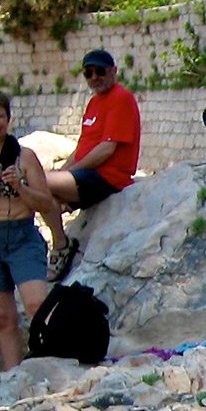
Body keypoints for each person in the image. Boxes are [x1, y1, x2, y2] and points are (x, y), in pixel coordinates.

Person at [0, 87, 65, 372]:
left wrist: (20, 186)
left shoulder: (24, 156)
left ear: (8, 119)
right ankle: (13, 374)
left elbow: (45, 202)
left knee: (36, 305)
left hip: (22, 234)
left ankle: (52, 364)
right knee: (2, 316)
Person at [43, 47, 140, 279]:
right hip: (89, 175)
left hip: (108, 177)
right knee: (38, 188)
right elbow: (82, 148)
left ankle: (60, 244)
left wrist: (69, 174)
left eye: (100, 71)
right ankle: (57, 241)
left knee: (37, 181)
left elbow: (107, 149)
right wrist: (62, 172)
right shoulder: (94, 103)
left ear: (113, 71)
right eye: (88, 73)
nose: (94, 77)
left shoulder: (121, 98)